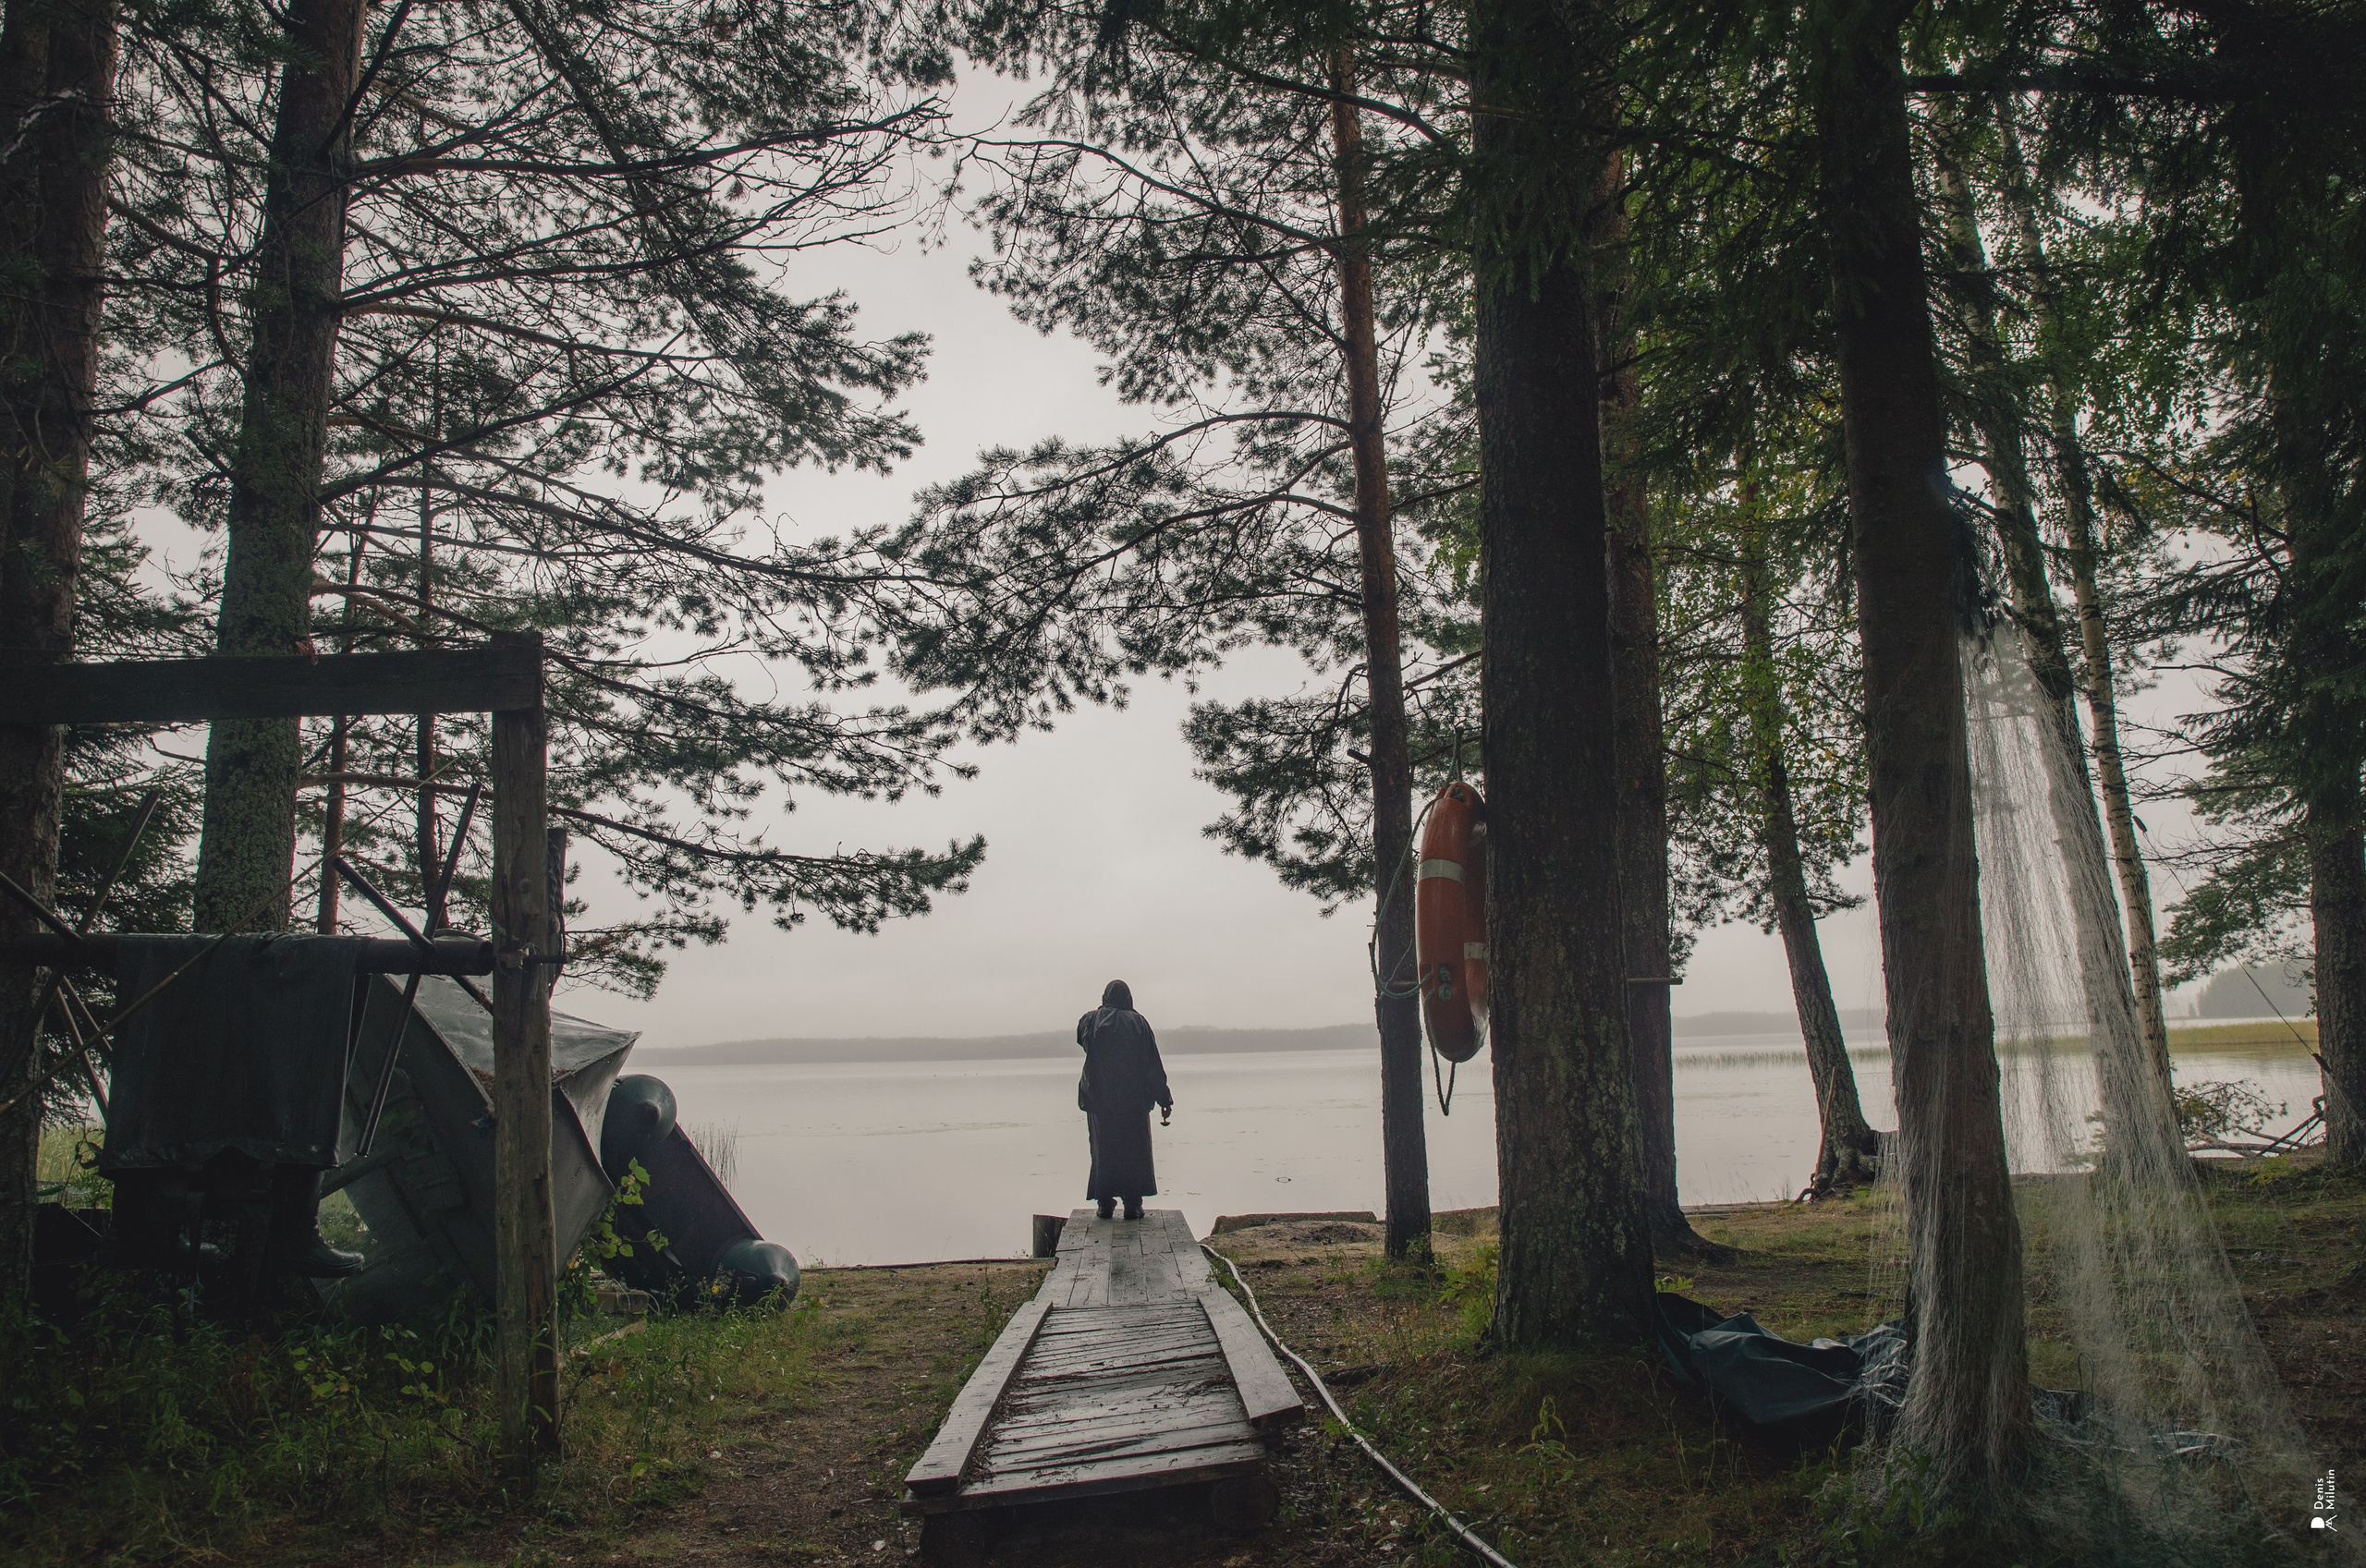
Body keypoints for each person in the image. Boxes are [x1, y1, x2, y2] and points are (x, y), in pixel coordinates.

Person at [1076, 979, 1173, 1221]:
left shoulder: (1090, 1020)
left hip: (1099, 1100)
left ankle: (1104, 1204)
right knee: (1134, 1151)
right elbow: (1152, 1065)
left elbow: (1081, 1038)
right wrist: (1164, 1098)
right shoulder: (1139, 1023)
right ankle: (1132, 1204)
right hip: (1133, 1101)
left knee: (1103, 1150)